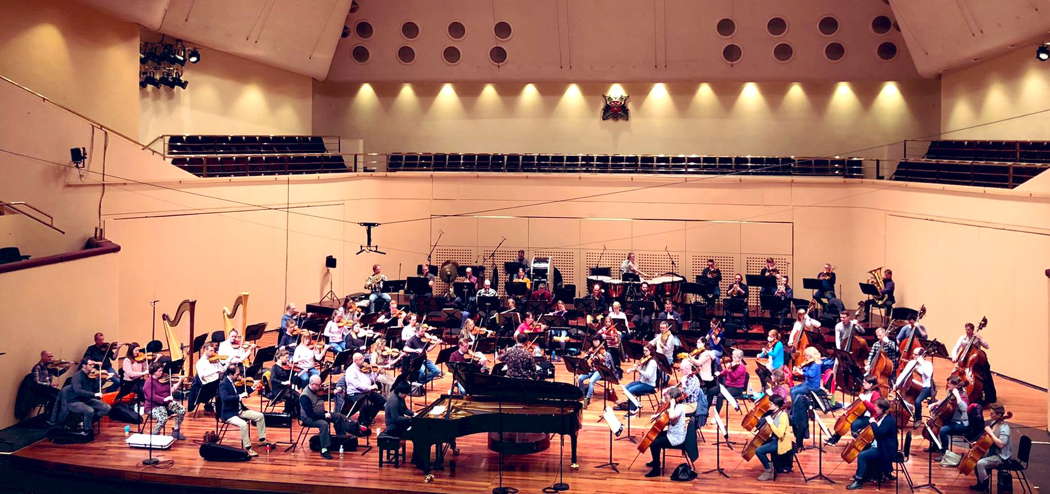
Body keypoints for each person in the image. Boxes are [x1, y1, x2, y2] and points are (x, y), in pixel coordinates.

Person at [301, 375, 364, 459]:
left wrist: (336, 391)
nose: (320, 387)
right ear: (313, 384)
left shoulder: (316, 390)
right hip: (309, 418)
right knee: (323, 424)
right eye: (318, 385)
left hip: (320, 414)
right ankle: (324, 449)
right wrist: (324, 415)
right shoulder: (304, 396)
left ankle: (341, 439)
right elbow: (310, 414)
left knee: (338, 416)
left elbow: (324, 395)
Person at [846, 399, 899, 490]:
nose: (875, 408)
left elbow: (879, 433)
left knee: (862, 455)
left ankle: (858, 481)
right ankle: (867, 475)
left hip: (886, 449)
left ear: (882, 409)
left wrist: (873, 423)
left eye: (876, 407)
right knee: (864, 448)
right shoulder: (883, 417)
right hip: (881, 445)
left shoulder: (889, 420)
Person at [643, 387, 696, 478]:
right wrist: (656, 415)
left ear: (673, 399)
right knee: (655, 435)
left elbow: (671, 416)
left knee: (653, 443)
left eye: (669, 396)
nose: (667, 398)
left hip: (676, 438)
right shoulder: (675, 406)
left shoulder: (679, 408)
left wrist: (672, 404)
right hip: (673, 433)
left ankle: (656, 469)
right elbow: (667, 412)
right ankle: (655, 461)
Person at [218, 366, 267, 457]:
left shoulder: (233, 383)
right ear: (230, 374)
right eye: (237, 374)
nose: (239, 376)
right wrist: (239, 396)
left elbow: (243, 392)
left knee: (260, 416)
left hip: (239, 410)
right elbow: (225, 398)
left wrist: (252, 388)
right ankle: (248, 448)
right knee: (243, 424)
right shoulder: (223, 384)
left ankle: (262, 439)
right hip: (229, 413)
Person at [334, 353, 386, 427]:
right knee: (365, 404)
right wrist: (369, 388)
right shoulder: (351, 370)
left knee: (382, 401)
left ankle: (368, 418)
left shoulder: (363, 367)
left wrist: (376, 373)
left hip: (366, 392)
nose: (363, 360)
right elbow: (357, 385)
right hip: (355, 394)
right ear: (356, 360)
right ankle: (362, 422)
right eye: (361, 359)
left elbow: (371, 379)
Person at [826, 376, 881, 445]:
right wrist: (848, 410)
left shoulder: (876, 394)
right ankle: (834, 439)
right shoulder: (866, 392)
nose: (863, 384)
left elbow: (874, 409)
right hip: (861, 415)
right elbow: (858, 405)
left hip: (870, 417)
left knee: (854, 424)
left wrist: (865, 400)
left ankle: (862, 444)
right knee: (846, 420)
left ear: (871, 384)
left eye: (865, 383)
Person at [970, 403, 1013, 492]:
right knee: (974, 459)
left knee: (981, 463)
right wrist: (977, 443)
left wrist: (991, 433)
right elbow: (989, 439)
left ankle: (984, 487)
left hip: (1002, 457)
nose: (990, 415)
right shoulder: (994, 423)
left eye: (992, 413)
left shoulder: (1004, 428)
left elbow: (1001, 444)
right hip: (993, 452)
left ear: (999, 415)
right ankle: (980, 484)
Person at [62, 359, 112, 432]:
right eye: (90, 365)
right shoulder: (77, 376)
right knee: (90, 410)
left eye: (93, 365)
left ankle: (86, 422)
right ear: (84, 366)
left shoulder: (91, 375)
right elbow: (78, 391)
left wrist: (104, 380)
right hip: (75, 401)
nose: (93, 366)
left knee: (106, 408)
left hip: (87, 400)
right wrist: (94, 394)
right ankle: (87, 430)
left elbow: (96, 389)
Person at [952, 322, 996, 403]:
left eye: (969, 330)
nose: (967, 331)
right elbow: (956, 347)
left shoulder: (976, 337)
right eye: (966, 329)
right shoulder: (962, 338)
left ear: (972, 330)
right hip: (964, 360)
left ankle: (985, 396)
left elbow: (987, 346)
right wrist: (954, 356)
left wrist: (980, 339)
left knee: (984, 378)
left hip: (974, 362)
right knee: (954, 372)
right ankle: (953, 390)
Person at [754, 394, 793, 481]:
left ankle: (769, 470)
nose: (769, 405)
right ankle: (771, 467)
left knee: (758, 451)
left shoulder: (783, 416)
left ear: (776, 405)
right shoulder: (775, 413)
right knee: (758, 445)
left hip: (780, 442)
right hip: (774, 439)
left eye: (771, 403)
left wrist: (771, 423)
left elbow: (780, 434)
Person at [142, 363, 187, 439]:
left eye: (162, 370)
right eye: (159, 371)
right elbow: (151, 396)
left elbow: (171, 390)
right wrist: (164, 399)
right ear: (154, 372)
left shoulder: (164, 379)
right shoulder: (149, 382)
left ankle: (176, 431)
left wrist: (179, 381)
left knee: (181, 410)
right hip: (153, 406)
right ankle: (154, 435)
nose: (162, 372)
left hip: (166, 403)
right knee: (163, 418)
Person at [933, 376, 971, 462]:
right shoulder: (951, 392)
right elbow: (946, 402)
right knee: (934, 425)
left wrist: (958, 396)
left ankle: (944, 453)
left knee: (943, 430)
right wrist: (936, 404)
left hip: (961, 423)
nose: (948, 385)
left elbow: (964, 408)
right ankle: (935, 446)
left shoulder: (963, 395)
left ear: (956, 385)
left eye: (950, 383)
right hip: (951, 419)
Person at [618, 344, 659, 415]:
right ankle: (632, 404)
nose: (644, 352)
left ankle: (633, 409)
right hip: (642, 382)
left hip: (649, 385)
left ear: (651, 351)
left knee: (630, 390)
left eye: (646, 351)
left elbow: (648, 375)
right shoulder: (645, 359)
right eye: (644, 350)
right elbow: (639, 368)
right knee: (626, 388)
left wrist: (639, 370)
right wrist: (632, 369)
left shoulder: (652, 362)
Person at [577, 337, 613, 408]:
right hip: (591, 370)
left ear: (600, 341)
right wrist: (587, 356)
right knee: (580, 378)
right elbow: (585, 360)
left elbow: (607, 365)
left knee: (591, 381)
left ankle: (587, 399)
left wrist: (600, 357)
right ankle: (582, 394)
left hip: (600, 371)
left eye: (597, 341)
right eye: (594, 341)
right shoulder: (592, 350)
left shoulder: (606, 353)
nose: (595, 342)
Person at [188, 343, 225, 411]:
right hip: (206, 388)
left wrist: (220, 362)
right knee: (222, 386)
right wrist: (216, 370)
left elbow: (222, 370)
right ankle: (220, 409)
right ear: (205, 350)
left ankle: (221, 407)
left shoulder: (213, 360)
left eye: (213, 350)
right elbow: (202, 375)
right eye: (211, 350)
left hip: (214, 384)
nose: (213, 352)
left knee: (224, 383)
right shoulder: (200, 362)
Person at [901, 347, 934, 422]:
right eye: (913, 354)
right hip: (913, 385)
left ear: (921, 356)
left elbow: (928, 374)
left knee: (917, 402)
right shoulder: (912, 363)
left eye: (915, 354)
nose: (913, 356)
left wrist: (921, 363)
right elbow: (904, 374)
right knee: (902, 399)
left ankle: (918, 419)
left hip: (925, 388)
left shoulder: (928, 364)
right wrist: (897, 384)